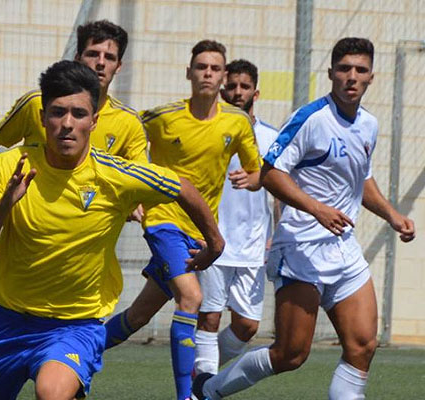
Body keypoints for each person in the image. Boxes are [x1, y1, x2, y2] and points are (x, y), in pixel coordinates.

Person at [0, 60, 224, 400]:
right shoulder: (11, 166)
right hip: (8, 322)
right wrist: (5, 205)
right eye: (57, 112)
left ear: (93, 120)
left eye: (78, 114)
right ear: (42, 116)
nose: (67, 124)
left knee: (52, 391)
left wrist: (215, 243)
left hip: (75, 325)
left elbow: (181, 186)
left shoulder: (116, 174)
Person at [193, 37, 416, 400]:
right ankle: (209, 388)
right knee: (291, 354)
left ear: (371, 77)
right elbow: (270, 173)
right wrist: (318, 209)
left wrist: (392, 215)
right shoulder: (311, 118)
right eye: (344, 69)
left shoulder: (369, 125)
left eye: (360, 70)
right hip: (300, 249)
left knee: (363, 345)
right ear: (331, 73)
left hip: (343, 250)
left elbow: (362, 179)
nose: (351, 77)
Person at [103, 40, 262, 400]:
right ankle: (186, 395)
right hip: (163, 221)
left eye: (214, 68)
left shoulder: (236, 123)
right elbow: (120, 145)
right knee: (191, 297)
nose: (207, 73)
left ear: (223, 77)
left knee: (140, 315)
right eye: (201, 66)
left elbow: (255, 171)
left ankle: (78, 353)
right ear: (188, 72)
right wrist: (130, 197)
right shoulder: (160, 118)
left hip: (199, 234)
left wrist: (253, 180)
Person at [0, 19, 147, 237]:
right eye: (92, 54)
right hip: (29, 229)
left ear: (119, 66)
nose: (100, 63)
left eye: (109, 57)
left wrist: (134, 199)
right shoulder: (36, 104)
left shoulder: (127, 122)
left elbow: (141, 174)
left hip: (85, 235)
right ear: (78, 58)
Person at [194, 59, 280, 376]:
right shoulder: (208, 130)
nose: (237, 92)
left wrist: (278, 233)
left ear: (255, 93)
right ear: (222, 88)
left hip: (255, 244)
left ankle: (202, 372)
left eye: (244, 87)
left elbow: (280, 189)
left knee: (246, 326)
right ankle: (201, 384)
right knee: (210, 316)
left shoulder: (271, 137)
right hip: (214, 239)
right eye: (231, 86)